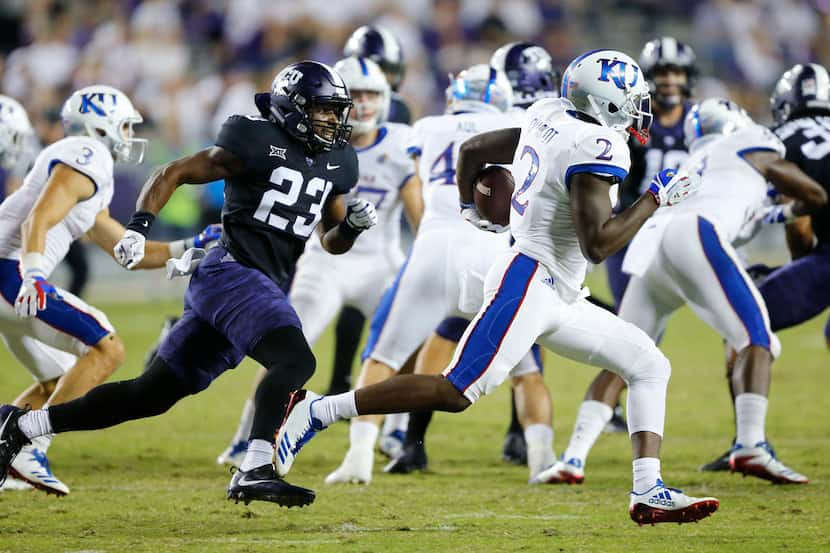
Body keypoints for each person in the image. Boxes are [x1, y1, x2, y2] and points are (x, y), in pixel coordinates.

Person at [277, 50, 720, 525]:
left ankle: (647, 489)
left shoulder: (548, 113)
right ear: (605, 102)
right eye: (630, 98)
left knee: (649, 364)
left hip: (558, 289)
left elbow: (474, 152)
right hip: (530, 280)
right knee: (455, 391)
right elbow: (599, 244)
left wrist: (470, 205)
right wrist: (656, 197)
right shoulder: (597, 145)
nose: (638, 107)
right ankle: (317, 410)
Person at [0, 61, 377, 508]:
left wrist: (350, 227)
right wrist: (139, 227)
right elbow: (172, 173)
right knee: (294, 360)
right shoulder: (254, 139)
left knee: (149, 395)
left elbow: (330, 242)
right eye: (325, 110)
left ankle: (21, 427)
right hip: (231, 270)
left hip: (256, 283)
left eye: (337, 111)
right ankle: (255, 467)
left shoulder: (339, 162)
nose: (335, 120)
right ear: (293, 108)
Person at [550, 98, 825, 486]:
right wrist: (807, 203)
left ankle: (573, 457)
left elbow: (745, 212)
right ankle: (750, 444)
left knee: (625, 356)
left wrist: (777, 212)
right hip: (694, 235)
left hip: (654, 244)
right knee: (756, 337)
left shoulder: (696, 161)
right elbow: (812, 193)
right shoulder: (747, 142)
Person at [0, 86, 220, 495]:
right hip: (10, 274)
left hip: (10, 277)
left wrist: (189, 245)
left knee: (58, 380)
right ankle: (31, 447)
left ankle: (9, 449)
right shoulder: (88, 154)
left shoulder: (81, 170)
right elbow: (37, 219)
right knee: (107, 349)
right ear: (98, 127)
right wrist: (32, 274)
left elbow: (125, 251)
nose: (129, 134)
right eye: (123, 125)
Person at [216, 55, 423, 469]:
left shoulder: (401, 143)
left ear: (386, 99)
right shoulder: (302, 139)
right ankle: (245, 437)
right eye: (355, 94)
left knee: (412, 338)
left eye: (372, 95)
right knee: (289, 347)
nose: (362, 104)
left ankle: (398, 429)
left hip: (381, 260)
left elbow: (421, 218)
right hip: (325, 261)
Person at [391, 41, 560, 473]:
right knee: (526, 355)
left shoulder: (491, 119)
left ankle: (412, 441)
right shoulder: (540, 122)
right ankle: (536, 451)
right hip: (512, 254)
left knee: (447, 335)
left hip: (471, 246)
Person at [701, 63, 830, 471]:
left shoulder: (780, 139)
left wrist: (802, 267)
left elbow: (800, 218)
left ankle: (748, 440)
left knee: (743, 321)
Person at [595, 37, 699, 435]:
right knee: (633, 325)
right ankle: (609, 406)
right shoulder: (635, 119)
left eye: (676, 72)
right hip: (635, 229)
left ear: (688, 77)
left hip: (680, 235)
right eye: (660, 73)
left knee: (648, 326)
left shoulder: (700, 121)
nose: (669, 80)